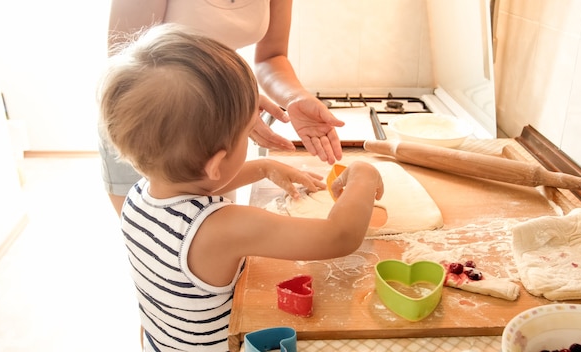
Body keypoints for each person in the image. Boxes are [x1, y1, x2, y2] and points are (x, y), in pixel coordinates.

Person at [98, 24, 383, 352]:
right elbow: (340, 236)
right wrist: (363, 173)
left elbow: (196, 188)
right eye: (248, 131)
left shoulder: (139, 196)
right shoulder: (222, 228)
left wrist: (264, 167)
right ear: (217, 162)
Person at [102, 0, 345, 215]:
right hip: (151, 122)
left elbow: (271, 57)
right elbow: (129, 69)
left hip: (216, 122)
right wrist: (230, 99)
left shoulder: (218, 160)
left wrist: (292, 97)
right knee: (157, 234)